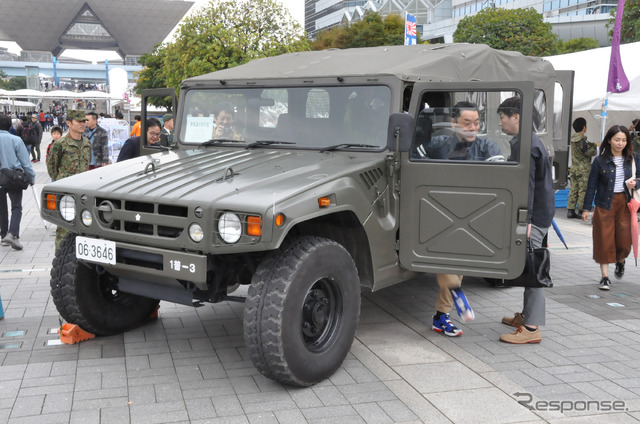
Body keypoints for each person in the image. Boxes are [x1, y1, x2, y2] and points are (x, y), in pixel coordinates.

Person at [497, 96, 555, 344]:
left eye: (502, 117)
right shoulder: (529, 141)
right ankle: (526, 317)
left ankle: (531, 329)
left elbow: (526, 187)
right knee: (532, 264)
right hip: (541, 213)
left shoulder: (527, 145)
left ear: (516, 117)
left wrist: (526, 219)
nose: (500, 122)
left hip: (534, 217)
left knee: (534, 271)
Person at [582, 125, 640, 290]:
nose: (620, 143)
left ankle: (620, 261)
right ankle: (605, 277)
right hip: (604, 204)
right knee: (604, 240)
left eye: (623, 140)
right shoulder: (599, 161)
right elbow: (591, 186)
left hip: (626, 204)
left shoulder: (633, 157)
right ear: (609, 140)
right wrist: (586, 209)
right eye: (617, 140)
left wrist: (636, 183)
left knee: (624, 240)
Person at [46, 110, 91, 250]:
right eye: (79, 121)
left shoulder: (87, 143)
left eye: (84, 121)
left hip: (83, 191)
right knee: (64, 228)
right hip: (65, 192)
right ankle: (61, 259)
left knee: (83, 225)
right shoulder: (60, 144)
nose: (83, 124)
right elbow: (52, 168)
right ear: (69, 123)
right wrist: (62, 180)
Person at [414, 101, 502, 161]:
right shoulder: (437, 143)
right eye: (467, 123)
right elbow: (414, 157)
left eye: (476, 123)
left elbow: (500, 174)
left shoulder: (488, 147)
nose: (473, 128)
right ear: (453, 123)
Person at [0, 114, 36, 251]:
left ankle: (4, 236)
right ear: (10, 126)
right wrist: (31, 177)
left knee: (1, 208)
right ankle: (13, 234)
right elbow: (25, 162)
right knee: (16, 207)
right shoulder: (15, 140)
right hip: (13, 177)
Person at [567, 118, 597, 218]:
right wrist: (595, 147)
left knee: (574, 189)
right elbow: (588, 152)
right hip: (583, 169)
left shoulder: (572, 139)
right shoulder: (582, 140)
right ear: (584, 127)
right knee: (583, 190)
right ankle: (580, 211)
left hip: (574, 167)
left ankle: (570, 211)